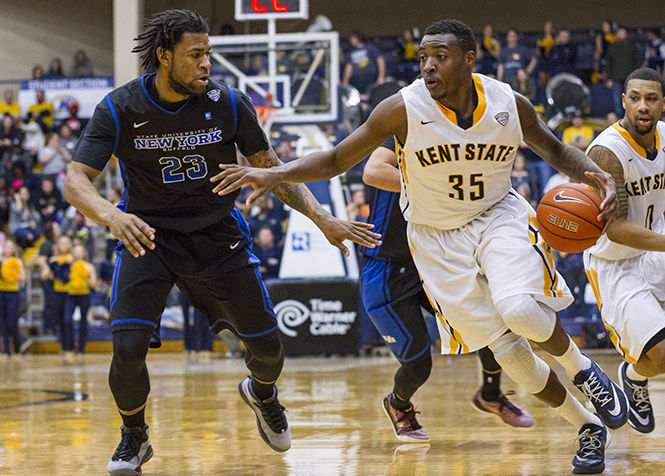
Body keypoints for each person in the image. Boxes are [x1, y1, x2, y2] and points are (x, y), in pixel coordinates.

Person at [212, 19, 628, 474]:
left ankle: (584, 369)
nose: (428, 66)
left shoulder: (509, 103)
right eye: (424, 57)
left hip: (497, 216)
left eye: (440, 56)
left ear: (469, 59)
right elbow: (335, 160)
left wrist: (597, 173)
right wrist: (276, 173)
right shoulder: (402, 108)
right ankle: (589, 426)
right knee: (512, 356)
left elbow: (554, 149)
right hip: (437, 238)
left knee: (521, 310)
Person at [62, 10, 380, 475]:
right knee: (127, 348)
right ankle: (134, 436)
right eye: (195, 55)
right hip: (149, 237)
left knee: (269, 351)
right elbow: (75, 179)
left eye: (208, 53)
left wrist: (322, 217)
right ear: (163, 56)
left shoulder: (230, 103)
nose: (206, 63)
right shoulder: (119, 107)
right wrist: (113, 216)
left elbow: (272, 167)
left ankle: (262, 393)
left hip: (219, 237)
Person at [362, 137, 534, 443]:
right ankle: (398, 404)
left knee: (491, 325)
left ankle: (490, 395)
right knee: (417, 365)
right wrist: (438, 186)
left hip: (432, 260)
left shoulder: (466, 137)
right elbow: (373, 170)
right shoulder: (405, 127)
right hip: (387, 267)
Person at [583, 67, 665, 434]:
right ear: (624, 102)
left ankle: (634, 376)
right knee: (661, 357)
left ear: (662, 104)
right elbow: (614, 229)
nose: (642, 106)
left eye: (651, 98)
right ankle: (633, 376)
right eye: (635, 98)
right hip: (616, 263)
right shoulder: (607, 152)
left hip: (657, 245)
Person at [63, 244, 97, 358]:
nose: (78, 253)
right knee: (67, 320)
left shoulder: (89, 266)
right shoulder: (69, 265)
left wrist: (83, 277)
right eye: (76, 251)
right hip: (70, 295)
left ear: (84, 253)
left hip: (84, 295)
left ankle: (81, 348)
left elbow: (94, 284)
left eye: (80, 251)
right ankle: (70, 346)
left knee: (83, 321)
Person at [605, 27, 641, 116]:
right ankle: (620, 122)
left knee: (631, 100)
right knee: (617, 101)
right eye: (619, 33)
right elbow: (608, 64)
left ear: (626, 34)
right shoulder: (612, 47)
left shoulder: (632, 47)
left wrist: (637, 77)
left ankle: (631, 119)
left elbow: (637, 62)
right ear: (617, 35)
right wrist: (609, 78)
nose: (621, 35)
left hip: (630, 79)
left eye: (623, 33)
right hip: (616, 78)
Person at [0, 239, 25, 359]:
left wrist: (15, 273)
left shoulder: (17, 261)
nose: (9, 249)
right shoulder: (0, 261)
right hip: (1, 293)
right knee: (2, 322)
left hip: (13, 293)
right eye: (7, 246)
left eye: (11, 247)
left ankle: (17, 347)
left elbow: (23, 279)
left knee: (12, 321)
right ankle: (5, 349)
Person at [342, 30, 386, 97]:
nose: (350, 40)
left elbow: (380, 60)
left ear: (357, 38)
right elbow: (349, 67)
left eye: (352, 38)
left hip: (370, 80)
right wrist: (345, 81)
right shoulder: (351, 52)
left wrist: (381, 76)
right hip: (357, 81)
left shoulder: (370, 48)